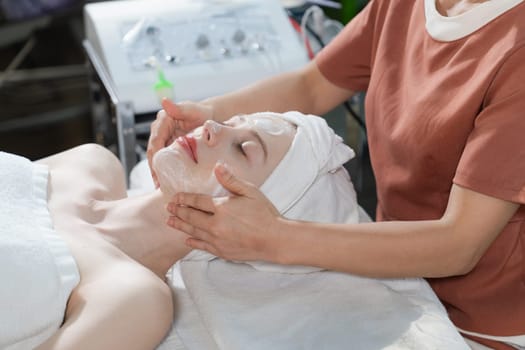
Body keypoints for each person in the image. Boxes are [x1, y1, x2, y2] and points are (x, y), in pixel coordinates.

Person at [148, 1, 525, 349]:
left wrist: (275, 237)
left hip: (479, 327)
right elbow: (312, 86)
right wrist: (210, 110)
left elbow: (459, 245)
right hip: (389, 278)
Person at [1, 112, 358, 349]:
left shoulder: (134, 299)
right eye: (233, 121)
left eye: (243, 149)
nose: (212, 127)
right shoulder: (92, 163)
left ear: (252, 220)